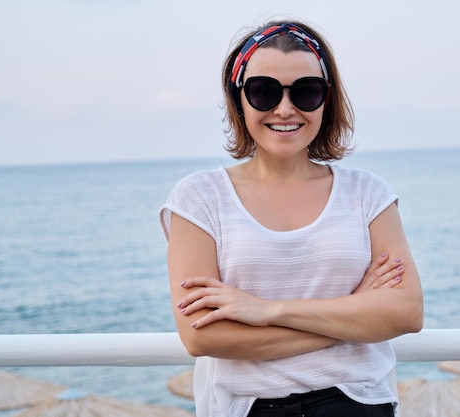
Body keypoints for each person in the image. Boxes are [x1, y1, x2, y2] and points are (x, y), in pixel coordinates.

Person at [160, 19, 423, 417]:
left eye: (306, 91)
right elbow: (202, 336)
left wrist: (268, 311)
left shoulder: (368, 194)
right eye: (264, 91)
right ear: (239, 99)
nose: (285, 109)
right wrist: (354, 312)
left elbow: (405, 313)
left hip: (359, 404)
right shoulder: (199, 199)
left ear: (326, 100)